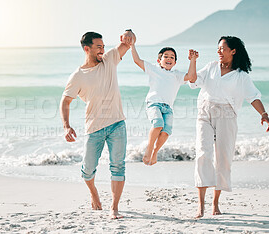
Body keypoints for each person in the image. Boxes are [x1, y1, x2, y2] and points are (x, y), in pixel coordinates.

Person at [189, 36, 269, 218]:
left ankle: (215, 203)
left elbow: (253, 97)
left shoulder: (241, 76)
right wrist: (193, 62)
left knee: (223, 159)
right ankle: (200, 205)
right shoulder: (211, 66)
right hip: (205, 112)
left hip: (227, 115)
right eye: (218, 48)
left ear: (233, 51)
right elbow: (193, 81)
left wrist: (263, 114)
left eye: (222, 48)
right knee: (203, 153)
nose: (219, 51)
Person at [60, 30, 134, 219]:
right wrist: (67, 126)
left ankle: (114, 208)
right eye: (98, 47)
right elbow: (65, 101)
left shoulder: (109, 60)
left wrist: (129, 34)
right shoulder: (78, 76)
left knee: (118, 166)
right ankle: (94, 193)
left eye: (103, 46)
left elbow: (128, 43)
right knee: (87, 170)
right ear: (87, 49)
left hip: (117, 124)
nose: (103, 50)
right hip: (94, 128)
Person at [131, 38, 198, 165]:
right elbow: (137, 60)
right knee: (158, 124)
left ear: (175, 62)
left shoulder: (177, 75)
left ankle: (155, 152)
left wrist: (193, 60)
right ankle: (149, 150)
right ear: (159, 60)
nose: (169, 59)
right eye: (165, 56)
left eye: (172, 57)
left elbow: (192, 77)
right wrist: (132, 45)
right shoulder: (154, 69)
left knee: (166, 133)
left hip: (168, 108)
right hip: (153, 103)